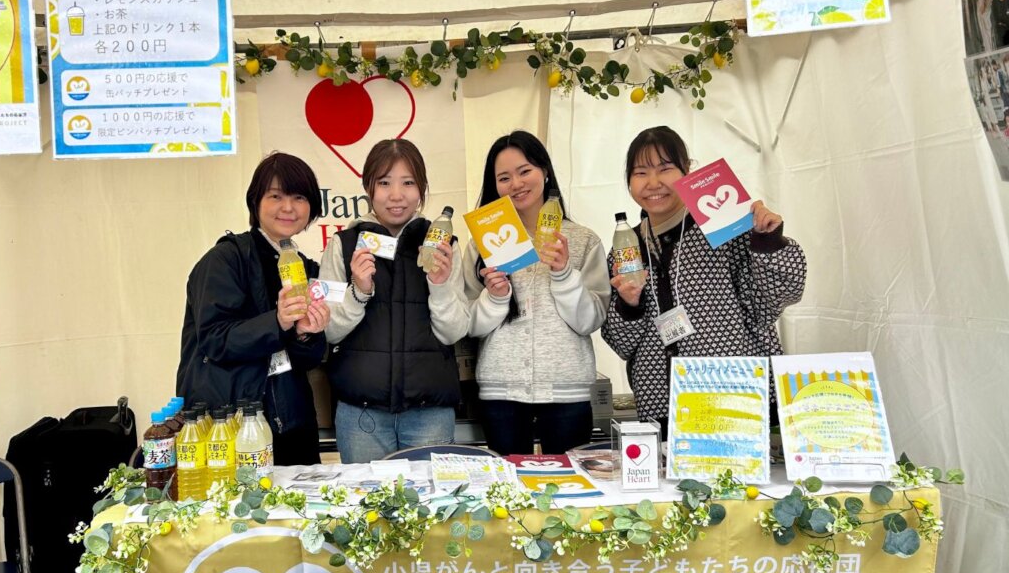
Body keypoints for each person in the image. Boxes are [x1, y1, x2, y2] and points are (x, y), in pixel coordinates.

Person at [601, 126, 807, 432]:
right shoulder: (626, 247)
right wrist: (630, 305)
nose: (653, 183)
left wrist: (768, 240)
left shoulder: (723, 225)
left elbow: (779, 296)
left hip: (734, 396)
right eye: (641, 172)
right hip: (663, 404)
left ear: (687, 170)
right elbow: (621, 343)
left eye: (665, 169)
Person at [177, 152, 330, 465]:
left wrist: (306, 334)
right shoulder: (225, 260)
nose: (288, 207)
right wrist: (277, 321)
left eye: (299, 197)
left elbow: (309, 360)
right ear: (255, 201)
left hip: (293, 424)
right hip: (233, 425)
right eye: (276, 196)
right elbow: (215, 339)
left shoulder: (307, 268)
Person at [463, 131, 610, 455]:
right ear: (494, 186)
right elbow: (470, 325)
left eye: (524, 171)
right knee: (507, 481)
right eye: (504, 178)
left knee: (570, 480)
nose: (516, 184)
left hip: (567, 389)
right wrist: (495, 297)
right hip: (500, 390)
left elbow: (590, 321)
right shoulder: (483, 242)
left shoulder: (582, 239)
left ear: (544, 170)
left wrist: (563, 274)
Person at [321, 139, 468, 463]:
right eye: (385, 183)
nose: (396, 195)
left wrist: (440, 285)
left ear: (422, 188)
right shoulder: (342, 245)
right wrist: (358, 291)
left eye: (408, 183)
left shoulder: (445, 246)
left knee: (431, 497)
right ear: (369, 188)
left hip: (430, 413)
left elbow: (454, 332)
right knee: (366, 495)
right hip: (361, 415)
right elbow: (327, 330)